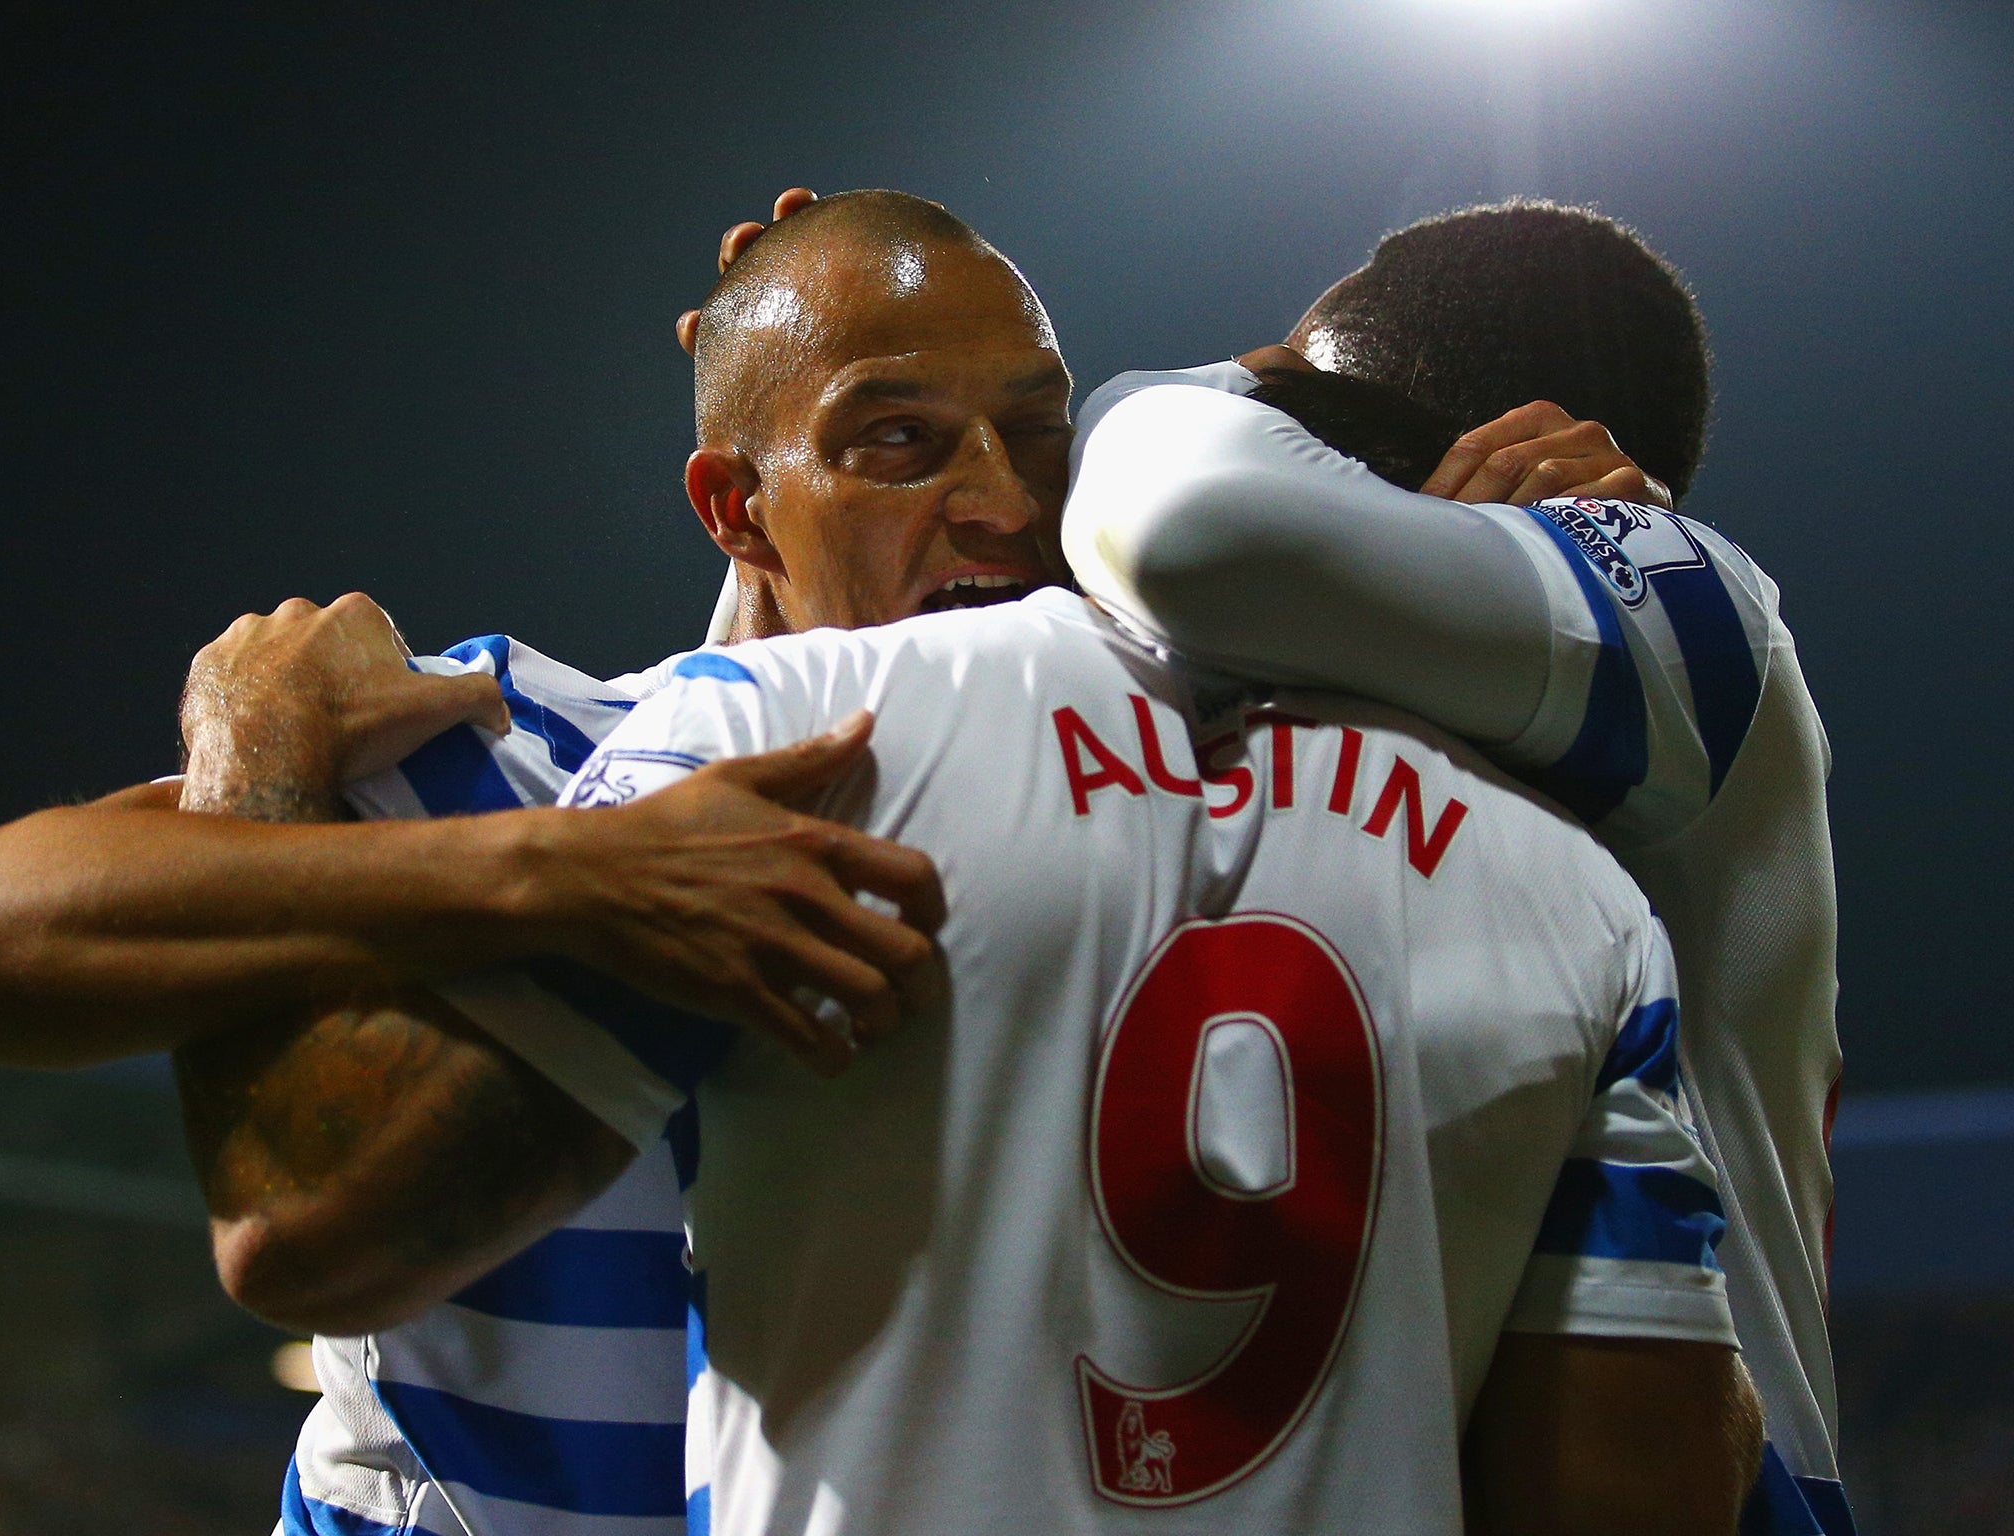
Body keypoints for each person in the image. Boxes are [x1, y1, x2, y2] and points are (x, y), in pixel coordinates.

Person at [458, 426, 1763, 1530]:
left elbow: (303, 1237)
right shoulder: (1572, 874)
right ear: (739, 507)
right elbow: (1635, 1487)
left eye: (1042, 435)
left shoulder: (682, 731)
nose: (1004, 504)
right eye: (897, 439)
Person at [1057, 201, 1846, 1531]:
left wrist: (1204, 382)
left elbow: (1189, 530)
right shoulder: (1294, 702)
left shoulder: (1690, 595)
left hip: (1708, 1480)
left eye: (1299, 418)